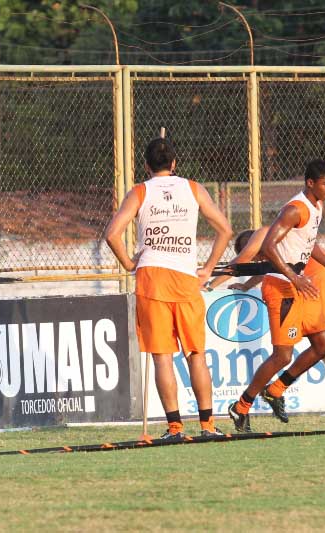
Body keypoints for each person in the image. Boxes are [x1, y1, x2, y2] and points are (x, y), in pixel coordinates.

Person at [105, 137, 233, 440]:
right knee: (195, 354)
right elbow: (225, 229)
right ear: (174, 164)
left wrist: (127, 262)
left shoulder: (139, 191)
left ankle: (175, 427)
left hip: (152, 278)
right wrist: (207, 269)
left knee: (163, 356)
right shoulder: (193, 188)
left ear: (147, 166)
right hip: (187, 278)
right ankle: (207, 425)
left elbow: (112, 234)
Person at [227, 160, 325, 432]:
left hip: (299, 285)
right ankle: (241, 406)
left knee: (324, 344)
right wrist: (294, 277)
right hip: (282, 287)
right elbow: (269, 246)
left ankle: (277, 389)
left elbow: (308, 241)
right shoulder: (295, 209)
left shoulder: (317, 206)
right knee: (282, 356)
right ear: (310, 183)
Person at [209, 226, 325, 416]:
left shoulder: (263, 233)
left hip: (321, 281)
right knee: (324, 344)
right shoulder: (278, 239)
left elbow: (240, 262)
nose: (255, 259)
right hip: (324, 280)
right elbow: (273, 267)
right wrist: (247, 285)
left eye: (254, 254)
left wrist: (210, 284)